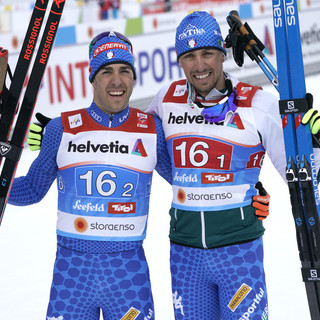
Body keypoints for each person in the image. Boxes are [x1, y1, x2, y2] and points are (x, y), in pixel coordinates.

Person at [145, 11, 320, 320]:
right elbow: (133, 144)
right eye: (189, 56)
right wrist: (60, 131)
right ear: (179, 61)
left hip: (238, 255)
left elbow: (304, 179)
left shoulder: (258, 105)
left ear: (222, 54)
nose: (199, 65)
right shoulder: (166, 100)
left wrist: (316, 144)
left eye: (207, 54)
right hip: (185, 258)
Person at [7, 31, 172, 320]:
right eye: (106, 72)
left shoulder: (151, 130)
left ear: (134, 77)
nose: (116, 81)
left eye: (124, 71)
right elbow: (32, 189)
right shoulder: (61, 129)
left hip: (128, 276)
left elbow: (189, 181)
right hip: (72, 276)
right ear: (92, 77)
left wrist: (248, 190)